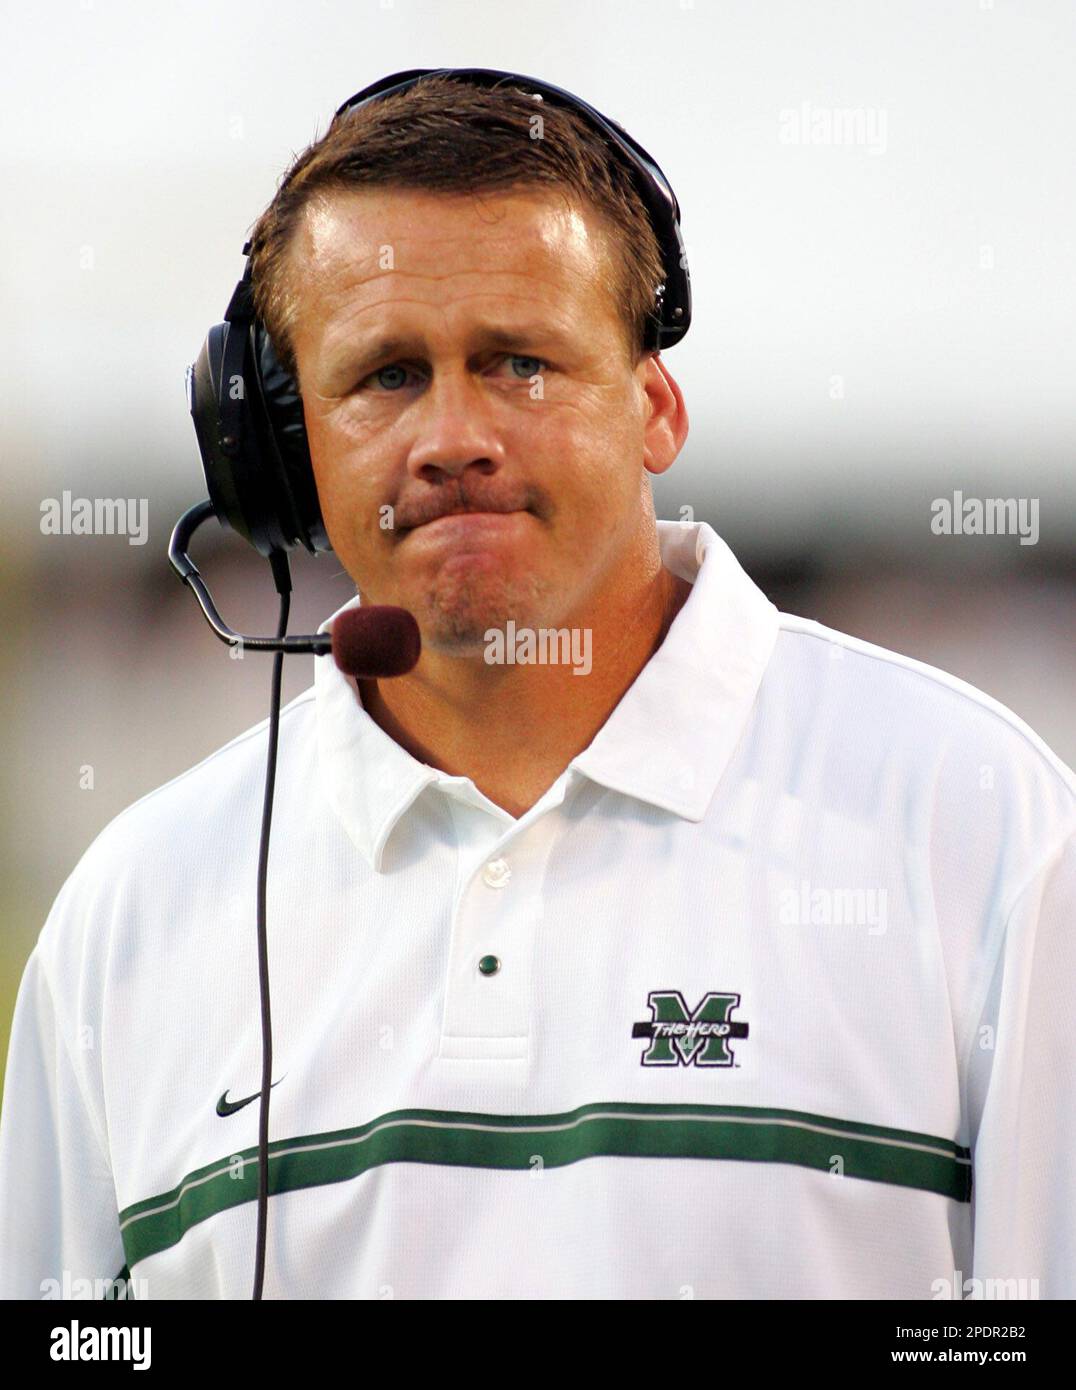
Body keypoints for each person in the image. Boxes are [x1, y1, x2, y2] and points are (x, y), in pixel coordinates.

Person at [0, 71, 1072, 1301]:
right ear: (280, 451)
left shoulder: (984, 833)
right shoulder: (126, 919)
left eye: (518, 362)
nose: (453, 433)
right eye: (386, 374)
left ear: (654, 406)